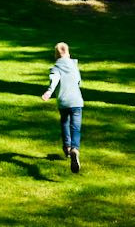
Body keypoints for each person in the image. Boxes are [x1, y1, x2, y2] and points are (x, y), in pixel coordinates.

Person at [41, 41, 84, 173]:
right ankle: (75, 149)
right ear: (68, 53)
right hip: (76, 101)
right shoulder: (74, 66)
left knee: (65, 123)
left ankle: (67, 147)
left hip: (64, 102)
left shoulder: (56, 68)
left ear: (56, 55)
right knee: (75, 127)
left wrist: (49, 92)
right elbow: (79, 82)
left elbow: (54, 80)